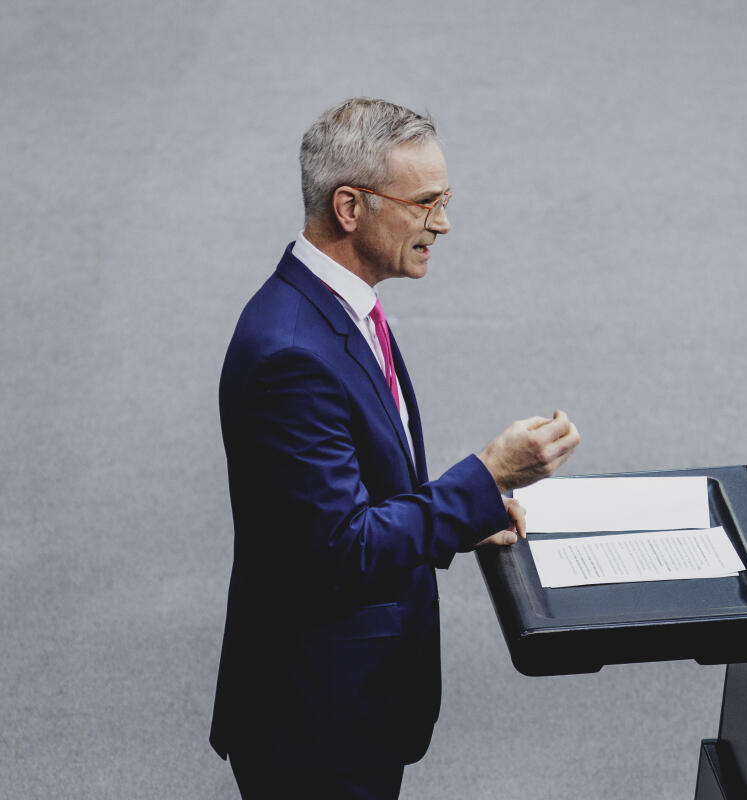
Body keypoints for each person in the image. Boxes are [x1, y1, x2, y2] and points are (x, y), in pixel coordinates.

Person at [209, 97, 580, 799]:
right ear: (350, 207)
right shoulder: (292, 354)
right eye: (426, 202)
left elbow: (358, 497)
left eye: (446, 199)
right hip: (315, 728)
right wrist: (485, 476)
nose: (443, 221)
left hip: (346, 707)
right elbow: (339, 546)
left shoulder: (345, 309)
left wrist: (471, 513)